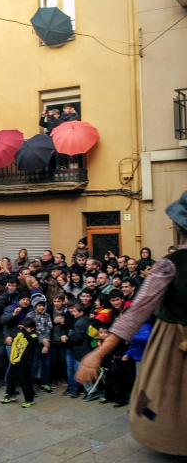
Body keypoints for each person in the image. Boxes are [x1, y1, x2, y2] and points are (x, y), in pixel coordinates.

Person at [76, 191, 187, 456]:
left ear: (178, 226)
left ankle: (170, 436)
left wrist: (99, 353)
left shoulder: (169, 266)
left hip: (173, 345)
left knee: (165, 397)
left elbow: (136, 313)